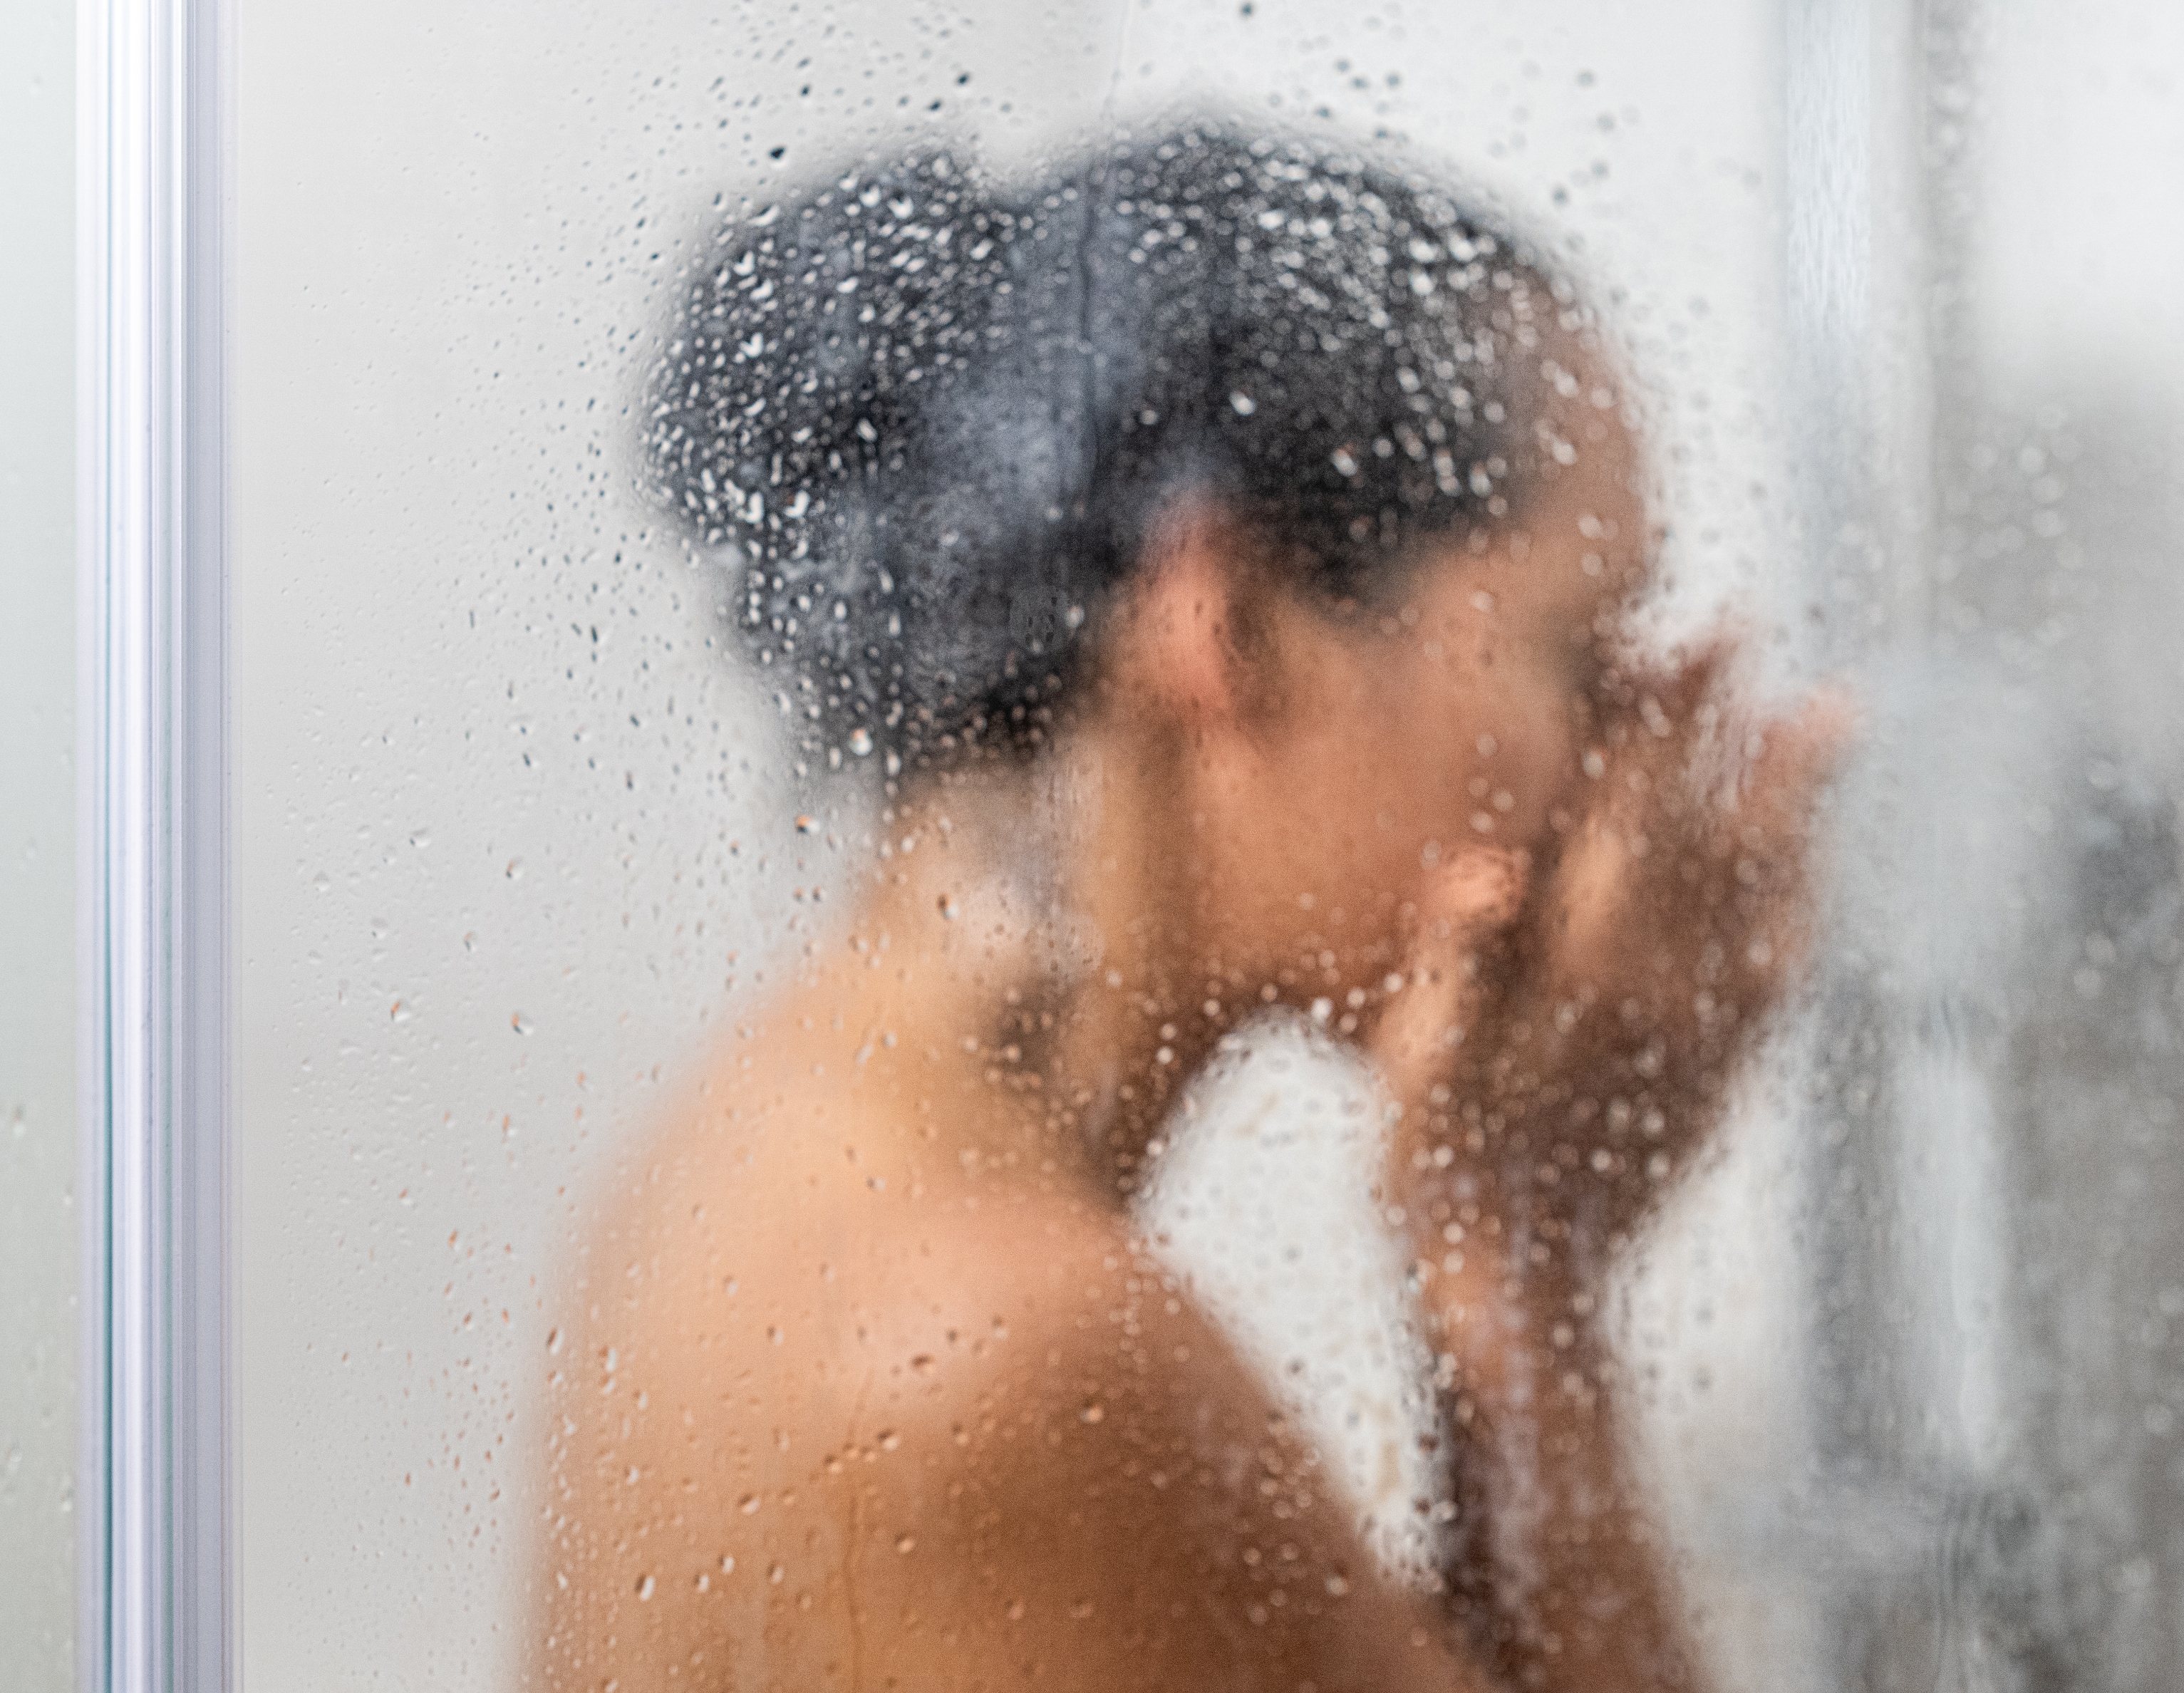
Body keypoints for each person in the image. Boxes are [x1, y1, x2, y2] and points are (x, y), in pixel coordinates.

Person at [539, 117, 1841, 1693]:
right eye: (1578, 651)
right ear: (1218, 621)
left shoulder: (769, 1139)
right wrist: (1527, 1272)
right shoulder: (1004, 1359)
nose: (1637, 760)